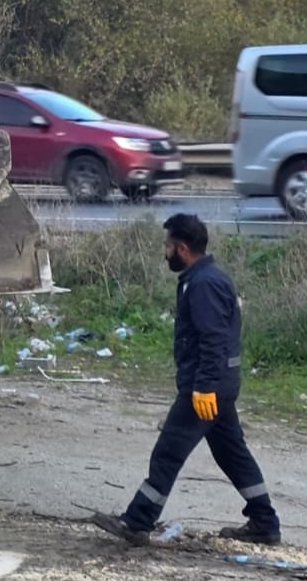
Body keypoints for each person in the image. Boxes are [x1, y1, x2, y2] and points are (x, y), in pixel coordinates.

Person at [92, 213, 280, 547]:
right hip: (217, 384)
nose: (164, 253)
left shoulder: (204, 283)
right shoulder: (203, 278)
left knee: (167, 452)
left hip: (206, 388)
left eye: (167, 246)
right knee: (233, 455)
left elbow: (213, 339)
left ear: (182, 248)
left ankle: (137, 521)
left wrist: (204, 386)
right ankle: (264, 523)